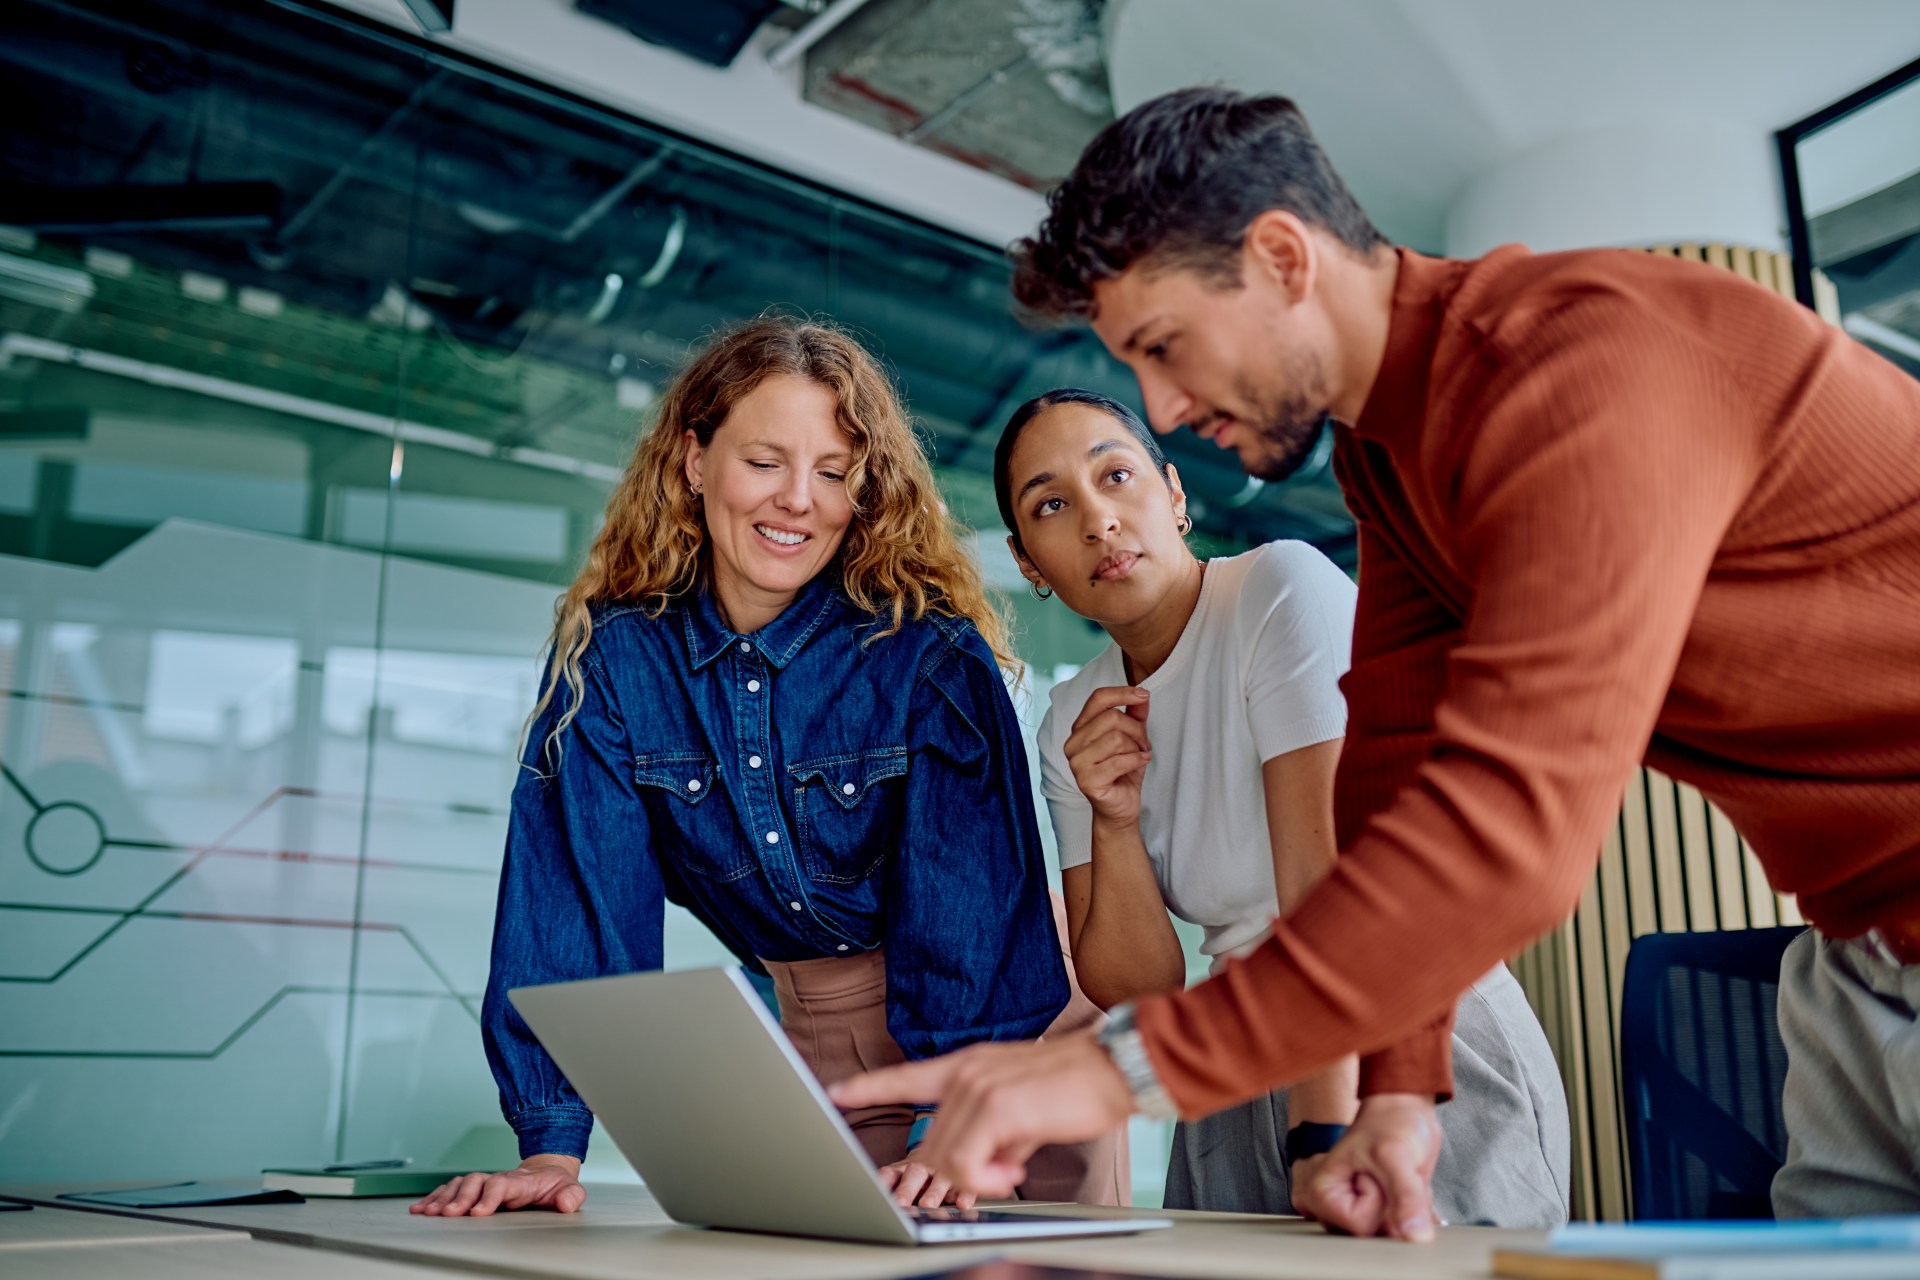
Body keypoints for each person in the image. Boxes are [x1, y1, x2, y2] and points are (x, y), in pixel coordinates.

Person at [832, 87, 1920, 1239]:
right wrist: (1399, 1091)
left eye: (1164, 347)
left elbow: (1509, 833)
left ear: (1282, 256)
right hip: (1853, 950)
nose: (1164, 404)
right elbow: (1394, 784)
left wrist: (1114, 1074)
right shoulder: (1392, 459)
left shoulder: (1573, 369)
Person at [411, 316, 1125, 1219]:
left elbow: (971, 914)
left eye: (832, 473)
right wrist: (552, 1149)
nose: (798, 500)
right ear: (693, 460)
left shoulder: (929, 660)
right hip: (814, 1031)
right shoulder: (617, 663)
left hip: (1004, 1030)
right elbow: (576, 903)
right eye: (764, 462)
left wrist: (953, 1119)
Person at [998, 386, 1570, 1225]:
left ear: (1174, 494)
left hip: (1401, 1035)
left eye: (1115, 476)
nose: (1097, 520)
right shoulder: (1072, 720)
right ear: (1026, 562)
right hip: (1237, 1060)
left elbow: (1327, 900)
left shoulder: (1279, 588)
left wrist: (1320, 1133)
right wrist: (1114, 819)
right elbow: (1139, 986)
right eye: (1052, 504)